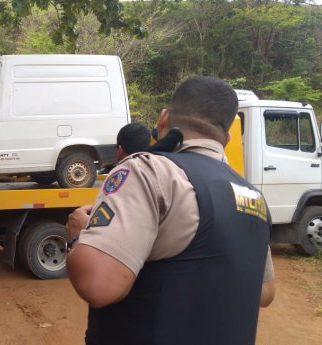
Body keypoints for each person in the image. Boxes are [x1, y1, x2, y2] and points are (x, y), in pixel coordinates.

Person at [66, 76, 275, 344]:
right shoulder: (254, 197)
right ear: (227, 137)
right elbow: (265, 292)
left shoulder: (148, 171)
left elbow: (99, 285)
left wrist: (77, 235)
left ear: (163, 119)